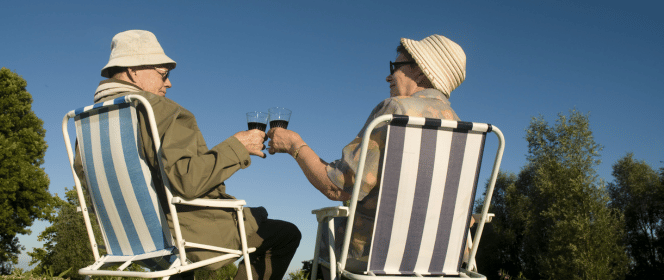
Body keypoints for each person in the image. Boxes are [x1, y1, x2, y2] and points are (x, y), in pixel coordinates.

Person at [75, 30, 300, 280]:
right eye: (164, 74)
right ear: (133, 70)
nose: (169, 83)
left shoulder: (88, 123)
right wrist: (239, 146)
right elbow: (187, 182)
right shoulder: (159, 110)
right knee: (284, 233)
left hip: (125, 237)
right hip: (181, 234)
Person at [267, 34, 466, 271]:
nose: (388, 76)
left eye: (396, 67)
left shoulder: (398, 110)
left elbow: (336, 187)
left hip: (378, 256)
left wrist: (294, 145)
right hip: (440, 259)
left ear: (421, 71)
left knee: (329, 229)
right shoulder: (461, 128)